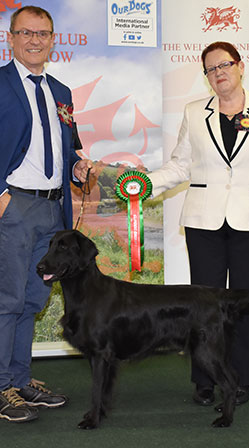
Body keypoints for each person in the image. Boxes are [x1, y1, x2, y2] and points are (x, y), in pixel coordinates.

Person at [148, 41, 249, 407]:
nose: (219, 73)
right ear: (206, 77)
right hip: (204, 221)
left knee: (246, 302)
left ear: (241, 66)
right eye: (211, 69)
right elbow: (181, 164)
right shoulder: (194, 112)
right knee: (202, 306)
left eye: (225, 65)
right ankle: (204, 379)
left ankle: (243, 378)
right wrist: (145, 184)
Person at [0, 6, 94, 423]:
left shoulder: (61, 91)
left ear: (53, 40)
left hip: (54, 208)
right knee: (7, 300)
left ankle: (20, 382)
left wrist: (76, 165)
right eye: (27, 33)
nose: (35, 40)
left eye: (43, 34)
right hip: (14, 205)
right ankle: (1, 387)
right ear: (11, 38)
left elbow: (68, 144)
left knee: (33, 299)